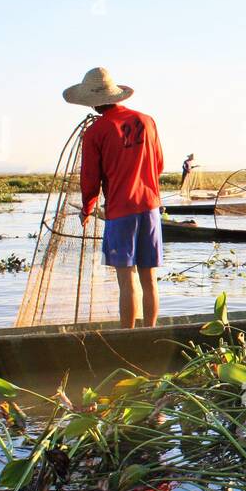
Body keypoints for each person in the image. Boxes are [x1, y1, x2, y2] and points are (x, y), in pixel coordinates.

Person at [65, 66, 164, 330]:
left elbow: (90, 180)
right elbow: (159, 164)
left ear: (94, 103)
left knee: (126, 280)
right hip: (151, 208)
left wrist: (87, 209)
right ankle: (150, 333)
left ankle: (128, 337)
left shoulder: (96, 132)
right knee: (149, 278)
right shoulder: (147, 121)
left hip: (121, 212)